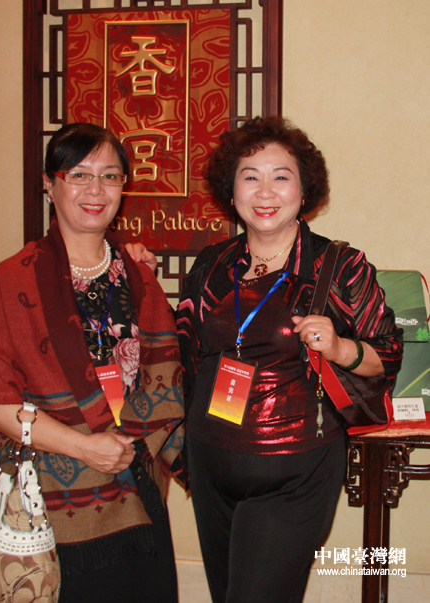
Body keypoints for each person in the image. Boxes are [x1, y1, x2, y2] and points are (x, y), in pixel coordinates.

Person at [173, 116, 403, 603]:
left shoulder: (339, 266)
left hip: (296, 471)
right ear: (231, 191)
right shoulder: (212, 265)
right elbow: (184, 354)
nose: (265, 191)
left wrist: (339, 348)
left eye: (281, 176)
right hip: (212, 461)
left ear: (304, 190)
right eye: (250, 176)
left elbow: (387, 356)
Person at [0, 123, 184, 603]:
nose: (95, 189)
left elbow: (164, 376)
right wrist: (84, 447)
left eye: (109, 176)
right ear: (49, 184)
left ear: (123, 187)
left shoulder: (138, 275)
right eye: (79, 174)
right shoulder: (10, 281)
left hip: (136, 487)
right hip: (50, 500)